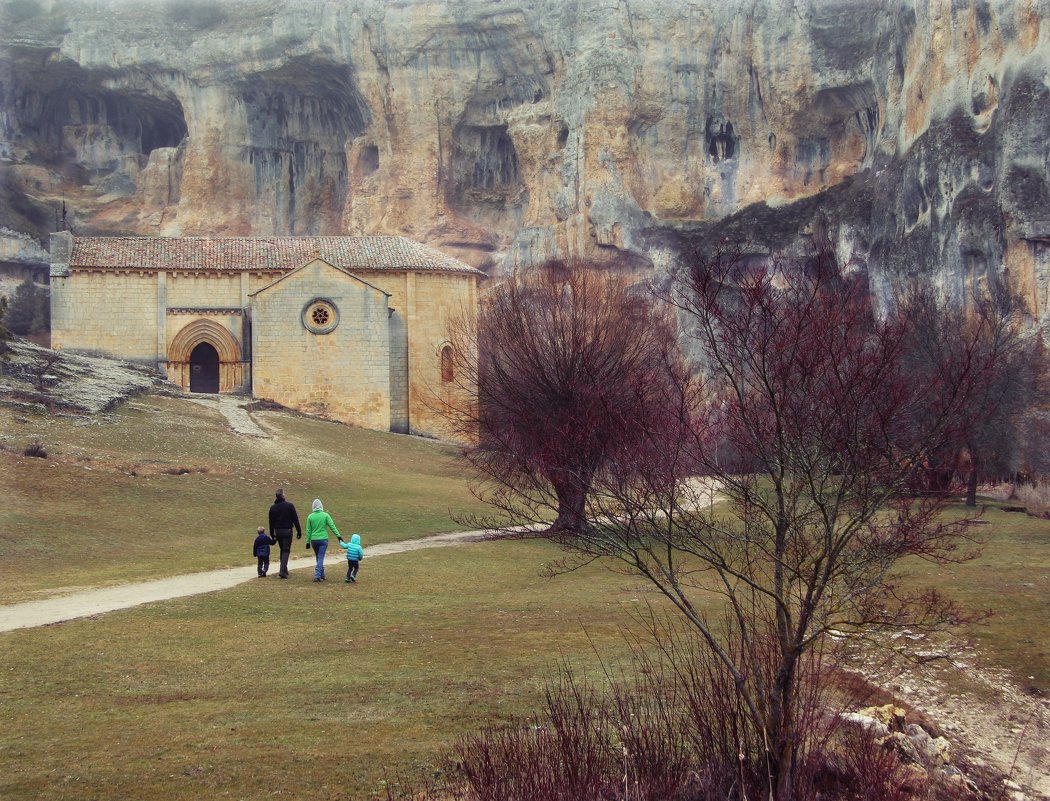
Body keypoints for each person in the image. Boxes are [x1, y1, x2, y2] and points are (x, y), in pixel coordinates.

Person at [268, 488, 302, 579]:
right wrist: (299, 531)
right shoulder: (289, 506)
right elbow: (295, 519)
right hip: (287, 531)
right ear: (283, 495)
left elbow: (271, 522)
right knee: (286, 550)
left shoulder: (273, 508)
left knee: (282, 550)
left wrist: (272, 534)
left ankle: (284, 569)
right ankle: (282, 571)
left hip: (278, 531)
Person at [304, 498, 340, 582]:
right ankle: (317, 575)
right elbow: (332, 526)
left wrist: (307, 542)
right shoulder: (325, 515)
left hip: (314, 540)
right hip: (323, 539)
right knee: (320, 557)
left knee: (318, 557)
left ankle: (322, 575)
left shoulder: (310, 517)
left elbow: (308, 530)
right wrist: (338, 536)